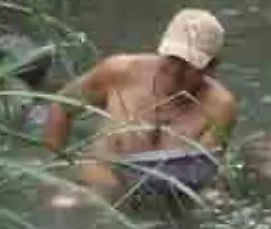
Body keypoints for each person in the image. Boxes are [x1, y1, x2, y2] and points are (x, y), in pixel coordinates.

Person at [42, 9, 239, 202]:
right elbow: (61, 106)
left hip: (170, 197)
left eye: (188, 64)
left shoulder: (220, 106)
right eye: (172, 58)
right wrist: (55, 171)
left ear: (211, 68)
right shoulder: (119, 72)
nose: (176, 71)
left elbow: (203, 169)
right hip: (100, 188)